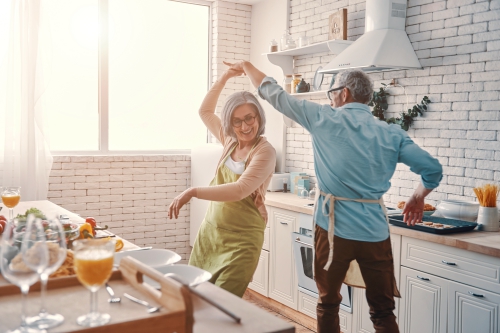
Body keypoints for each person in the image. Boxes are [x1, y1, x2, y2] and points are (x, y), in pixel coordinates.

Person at [224, 61, 443, 333]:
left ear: (344, 93)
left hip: (331, 232)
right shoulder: (390, 133)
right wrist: (418, 196)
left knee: (328, 304)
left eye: (331, 92)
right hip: (374, 233)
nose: (330, 99)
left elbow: (274, 94)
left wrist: (247, 66)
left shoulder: (322, 118)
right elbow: (433, 170)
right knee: (383, 311)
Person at [168, 67, 276, 298]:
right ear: (230, 123)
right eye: (237, 121)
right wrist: (225, 77)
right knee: (194, 298)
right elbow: (205, 111)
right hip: (211, 234)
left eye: (250, 118)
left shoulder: (264, 152)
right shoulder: (230, 140)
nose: (245, 126)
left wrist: (193, 191)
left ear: (259, 117)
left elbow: (240, 190)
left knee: (222, 303)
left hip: (242, 241)